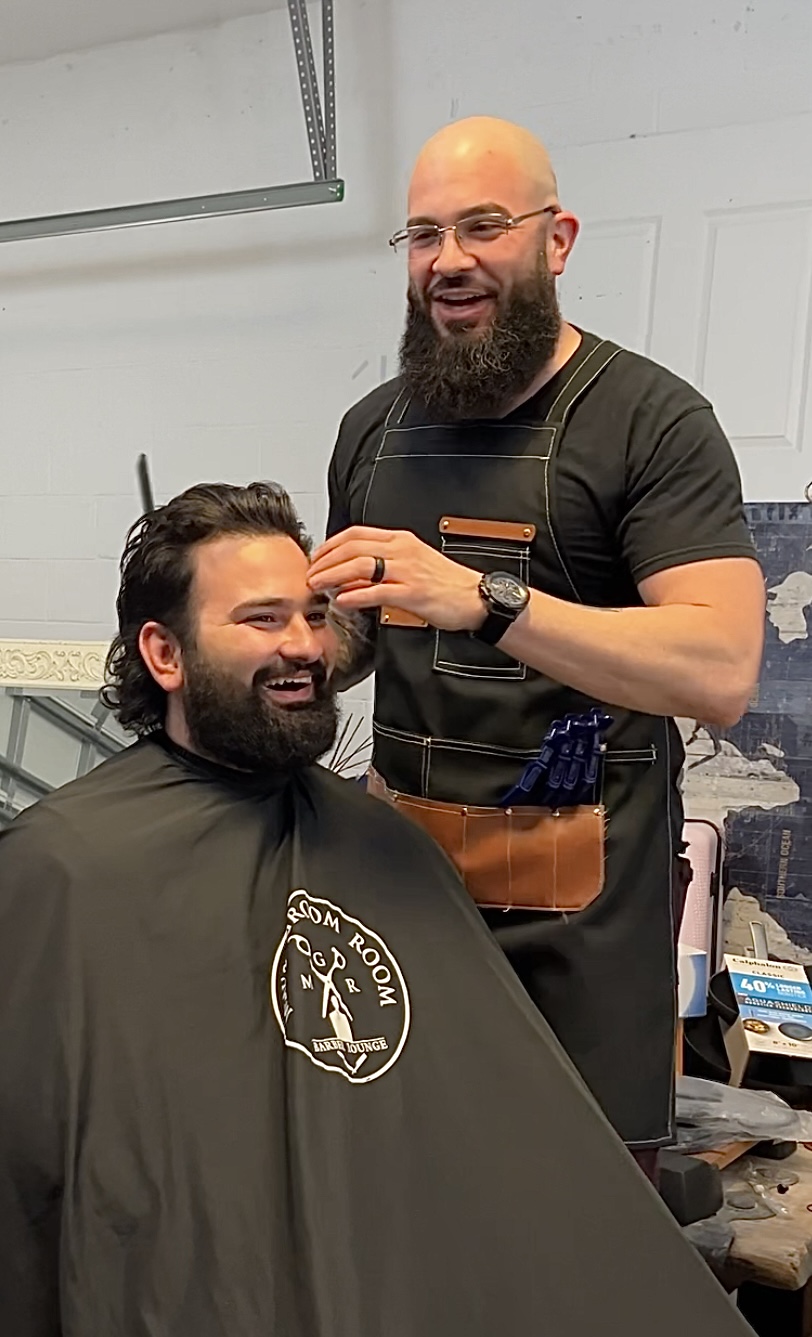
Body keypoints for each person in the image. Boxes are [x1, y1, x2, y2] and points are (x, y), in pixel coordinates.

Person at [0, 481, 752, 1337]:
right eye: (262, 619)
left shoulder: (381, 845)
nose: (304, 646)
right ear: (164, 654)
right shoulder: (66, 868)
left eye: (315, 615)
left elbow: (492, 1128)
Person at [309, 115, 766, 1174]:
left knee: (578, 1225)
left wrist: (487, 598)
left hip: (584, 925)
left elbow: (721, 671)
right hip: (407, 902)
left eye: (482, 226)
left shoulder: (649, 422)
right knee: (407, 1198)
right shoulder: (370, 430)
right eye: (422, 235)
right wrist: (269, 649)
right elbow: (358, 632)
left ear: (555, 239)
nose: (448, 260)